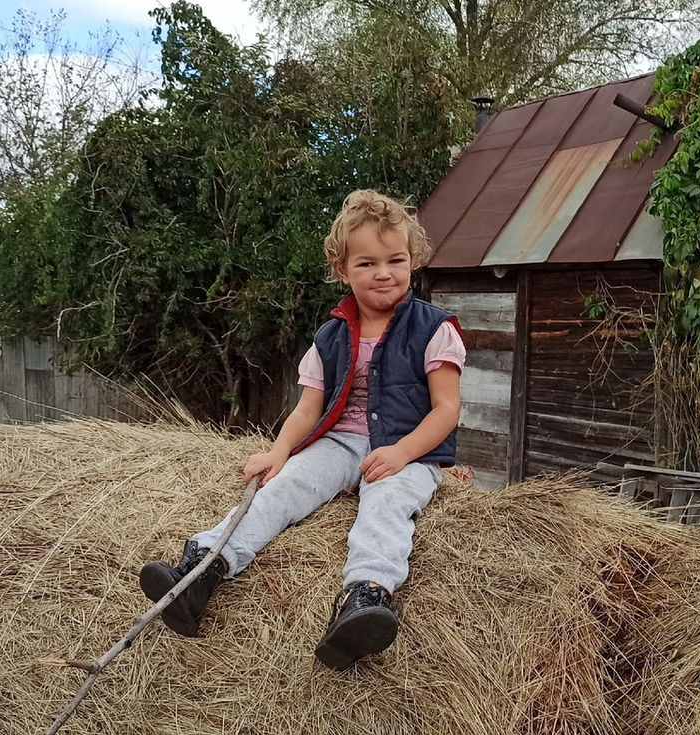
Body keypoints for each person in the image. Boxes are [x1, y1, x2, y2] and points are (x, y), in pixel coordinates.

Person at [139, 189, 465, 671]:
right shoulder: (330, 336)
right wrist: (279, 452)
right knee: (283, 487)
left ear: (413, 260)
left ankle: (364, 598)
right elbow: (308, 408)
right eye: (367, 263)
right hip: (339, 441)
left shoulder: (434, 328)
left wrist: (401, 453)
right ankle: (202, 570)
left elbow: (446, 409)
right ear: (342, 269)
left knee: (388, 503)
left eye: (396, 260)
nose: (383, 273)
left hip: (408, 448)